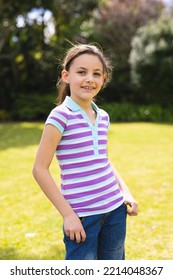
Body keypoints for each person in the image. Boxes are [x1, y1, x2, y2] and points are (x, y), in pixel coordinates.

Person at [32, 43, 138, 260]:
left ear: (103, 80)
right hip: (82, 217)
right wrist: (68, 215)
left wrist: (125, 192)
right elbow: (39, 169)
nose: (90, 79)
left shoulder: (103, 117)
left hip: (115, 210)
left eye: (96, 74)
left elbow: (103, 160)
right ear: (66, 76)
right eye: (81, 72)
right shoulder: (60, 116)